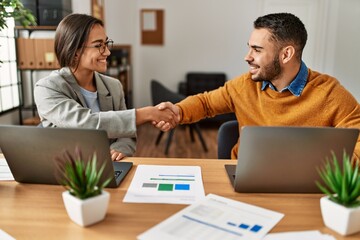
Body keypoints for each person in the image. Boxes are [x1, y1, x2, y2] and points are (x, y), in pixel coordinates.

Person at [157, 12, 360, 161]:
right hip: (242, 178)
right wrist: (178, 110)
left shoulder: (330, 94)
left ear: (286, 54)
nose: (248, 57)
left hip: (304, 188)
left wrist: (324, 169)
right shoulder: (244, 86)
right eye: (249, 48)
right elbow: (206, 102)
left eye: (257, 49)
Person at [34, 13, 177, 161]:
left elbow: (127, 135)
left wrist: (120, 148)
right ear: (75, 51)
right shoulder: (47, 88)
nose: (107, 52)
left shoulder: (114, 86)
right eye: (98, 46)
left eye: (106, 44)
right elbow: (85, 123)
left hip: (108, 168)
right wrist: (146, 114)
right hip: (64, 172)